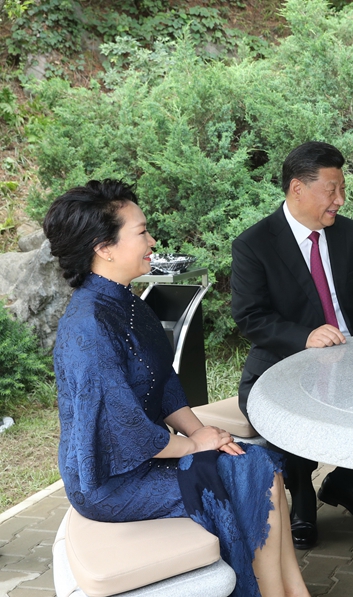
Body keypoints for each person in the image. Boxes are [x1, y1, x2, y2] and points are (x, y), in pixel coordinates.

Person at [45, 180, 309, 597]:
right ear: (104, 247)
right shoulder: (90, 324)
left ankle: (292, 591)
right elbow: (123, 429)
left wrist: (202, 432)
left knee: (261, 466)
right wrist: (193, 445)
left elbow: (164, 382)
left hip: (147, 453)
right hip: (111, 479)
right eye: (141, 232)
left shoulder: (126, 301)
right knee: (251, 474)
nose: (152, 241)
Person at [231, 141, 353, 550]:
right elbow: (250, 316)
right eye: (331, 190)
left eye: (342, 189)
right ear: (298, 188)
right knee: (292, 415)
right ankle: (302, 504)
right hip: (283, 365)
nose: (340, 200)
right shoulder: (254, 244)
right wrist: (304, 336)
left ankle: (350, 485)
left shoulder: (350, 233)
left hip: (352, 360)